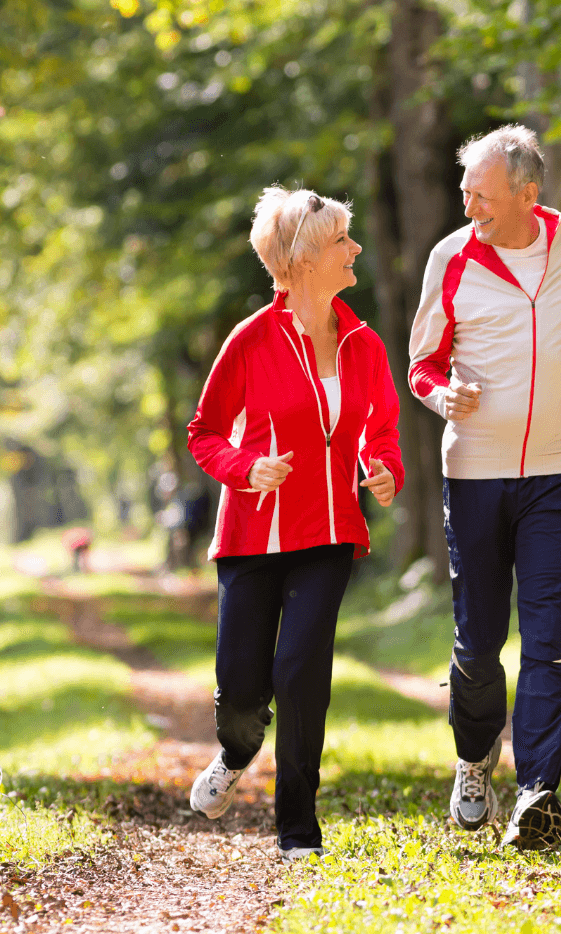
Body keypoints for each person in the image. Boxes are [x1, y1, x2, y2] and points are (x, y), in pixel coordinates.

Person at [408, 125, 561, 850]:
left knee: (548, 638)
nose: (468, 203)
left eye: (482, 193)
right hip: (474, 472)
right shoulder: (451, 258)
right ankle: (475, 760)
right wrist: (445, 397)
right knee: (478, 644)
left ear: (527, 194)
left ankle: (538, 791)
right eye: (465, 189)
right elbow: (421, 366)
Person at [187, 187, 404, 861]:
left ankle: (297, 832)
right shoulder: (250, 340)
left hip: (330, 530)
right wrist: (245, 467)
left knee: (302, 671)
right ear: (306, 258)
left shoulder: (363, 342)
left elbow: (382, 428)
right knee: (243, 697)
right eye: (343, 240)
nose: (355, 249)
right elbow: (205, 432)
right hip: (253, 536)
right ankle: (235, 752)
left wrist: (383, 468)